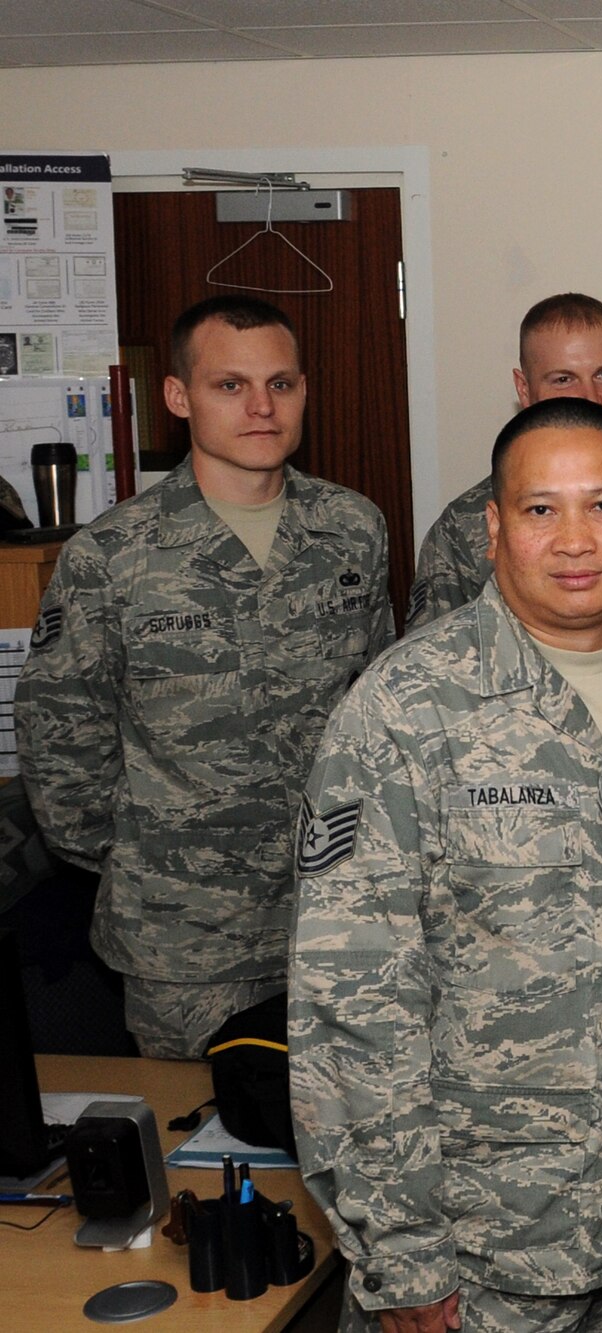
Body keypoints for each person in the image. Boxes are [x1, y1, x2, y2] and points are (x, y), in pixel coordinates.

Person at [291, 398, 602, 1333]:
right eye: (541, 509)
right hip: (484, 1251)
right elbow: (352, 1006)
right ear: (494, 528)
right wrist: (404, 1258)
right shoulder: (406, 709)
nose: (575, 538)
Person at [17, 295, 392, 1059]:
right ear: (179, 397)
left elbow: (381, 707)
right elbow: (60, 741)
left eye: (281, 384)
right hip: (184, 944)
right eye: (231, 386)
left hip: (339, 919)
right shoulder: (112, 555)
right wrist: (148, 854)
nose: (262, 406)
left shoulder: (353, 528)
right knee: (204, 1149)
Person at [406, 292, 602, 628]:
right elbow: (436, 659)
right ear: (524, 389)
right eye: (563, 379)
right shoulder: (463, 528)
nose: (590, 397)